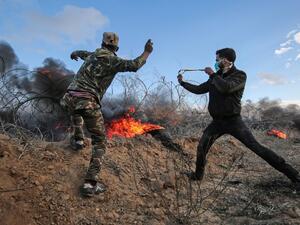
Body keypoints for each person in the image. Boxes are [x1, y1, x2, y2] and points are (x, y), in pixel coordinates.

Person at [177, 48, 300, 187]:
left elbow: (227, 88)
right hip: (217, 122)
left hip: (233, 121)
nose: (216, 62)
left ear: (227, 60)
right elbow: (199, 89)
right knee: (202, 147)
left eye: (218, 59)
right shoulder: (216, 77)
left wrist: (212, 75)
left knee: (257, 148)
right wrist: (183, 83)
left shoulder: (239, 75)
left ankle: (294, 176)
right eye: (216, 60)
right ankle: (197, 176)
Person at [61, 32, 153, 197]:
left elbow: (82, 53)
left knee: (76, 111)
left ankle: (78, 140)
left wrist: (74, 53)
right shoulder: (113, 60)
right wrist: (147, 52)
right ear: (116, 47)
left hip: (68, 98)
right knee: (100, 142)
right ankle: (90, 184)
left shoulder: (93, 55)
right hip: (88, 100)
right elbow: (134, 65)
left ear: (102, 44)